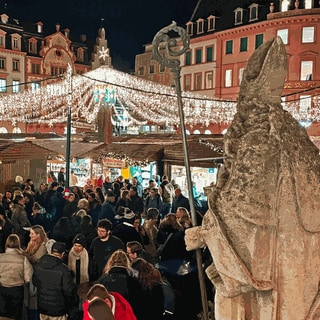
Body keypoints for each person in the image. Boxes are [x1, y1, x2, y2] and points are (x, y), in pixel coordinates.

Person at [32, 241, 80, 320]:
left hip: (42, 308)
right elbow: (68, 291)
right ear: (63, 254)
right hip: (58, 310)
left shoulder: (39, 265)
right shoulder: (63, 269)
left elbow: (35, 282)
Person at [0, 234, 33, 320]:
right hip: (17, 289)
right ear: (18, 244)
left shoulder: (1, 257)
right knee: (16, 313)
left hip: (2, 288)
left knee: (4, 313)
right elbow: (28, 277)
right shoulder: (23, 259)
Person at [24, 225, 49, 320]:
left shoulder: (43, 245)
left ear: (38, 235)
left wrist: (24, 254)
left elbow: (35, 259)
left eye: (32, 234)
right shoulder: (32, 243)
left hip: (39, 274)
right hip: (31, 272)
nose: (30, 236)